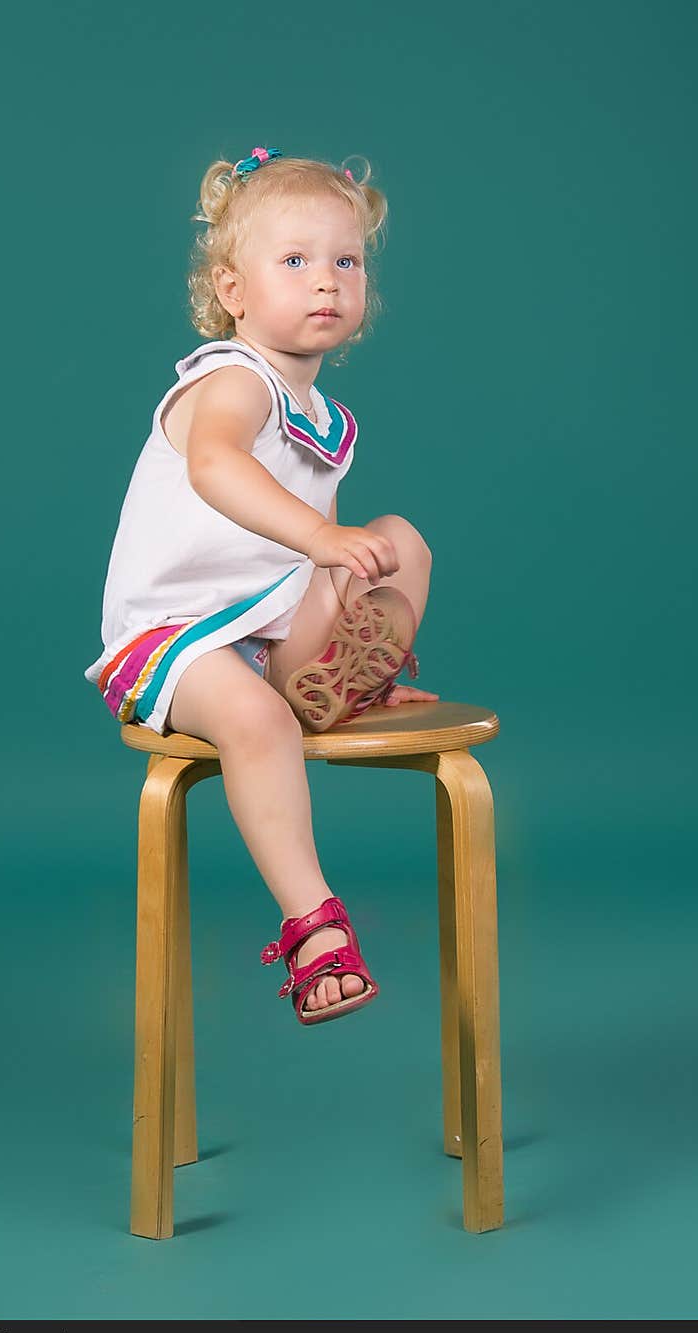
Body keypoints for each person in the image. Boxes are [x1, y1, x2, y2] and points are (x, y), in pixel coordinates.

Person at [83, 145, 439, 1024]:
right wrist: (322, 536)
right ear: (233, 291)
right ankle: (313, 922)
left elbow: (319, 549)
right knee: (256, 718)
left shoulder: (321, 415)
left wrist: (341, 560)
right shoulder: (233, 380)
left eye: (344, 261)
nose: (326, 282)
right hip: (177, 632)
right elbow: (214, 467)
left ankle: (343, 680)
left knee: (401, 543)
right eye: (295, 261)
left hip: (266, 625)